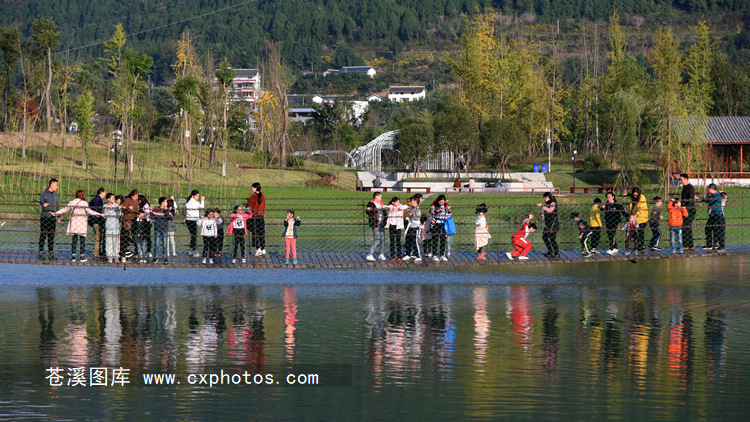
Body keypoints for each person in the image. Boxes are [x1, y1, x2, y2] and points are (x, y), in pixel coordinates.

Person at [52, 190, 104, 262]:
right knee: (82, 239)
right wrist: (99, 214)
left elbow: (65, 209)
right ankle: (82, 256)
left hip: (74, 222)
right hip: (82, 223)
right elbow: (90, 211)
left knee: (74, 239)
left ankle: (73, 256)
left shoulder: (72, 202)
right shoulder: (84, 203)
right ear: (82, 195)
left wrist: (56, 213)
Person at [698, 183, 725, 252]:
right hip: (712, 216)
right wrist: (699, 198)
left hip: (717, 216)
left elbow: (718, 203)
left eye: (708, 189)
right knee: (708, 229)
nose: (707, 190)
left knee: (717, 231)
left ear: (711, 189)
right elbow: (708, 200)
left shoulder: (717, 195)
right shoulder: (712, 195)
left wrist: (711, 208)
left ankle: (722, 246)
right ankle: (709, 245)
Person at [38, 178, 60, 261]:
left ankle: (51, 252)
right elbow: (40, 202)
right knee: (43, 234)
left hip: (53, 218)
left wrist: (59, 216)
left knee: (51, 235)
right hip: (45, 217)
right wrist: (44, 204)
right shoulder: (43, 194)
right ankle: (41, 251)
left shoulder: (55, 195)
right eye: (56, 185)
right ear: (51, 184)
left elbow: (57, 206)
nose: (57, 187)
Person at [384, 197, 408, 262]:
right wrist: (389, 207)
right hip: (391, 225)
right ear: (393, 202)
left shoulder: (400, 206)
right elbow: (383, 206)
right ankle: (392, 256)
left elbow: (406, 206)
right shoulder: (391, 206)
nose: (398, 203)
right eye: (397, 202)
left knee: (398, 241)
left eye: (398, 202)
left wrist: (399, 208)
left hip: (398, 226)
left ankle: (399, 256)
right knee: (392, 241)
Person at [675, 173, 696, 250]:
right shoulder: (685, 187)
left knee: (686, 226)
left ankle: (686, 245)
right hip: (685, 209)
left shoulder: (690, 187)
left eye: (681, 179)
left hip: (689, 210)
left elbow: (690, 199)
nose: (680, 181)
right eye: (680, 180)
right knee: (687, 226)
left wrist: (684, 206)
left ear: (686, 179)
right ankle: (690, 245)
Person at [150, 197, 173, 264]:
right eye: (166, 201)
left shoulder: (167, 210)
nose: (167, 203)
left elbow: (170, 217)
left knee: (165, 244)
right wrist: (151, 211)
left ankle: (165, 257)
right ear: (162, 202)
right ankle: (155, 257)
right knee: (156, 244)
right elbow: (152, 216)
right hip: (157, 229)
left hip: (165, 229)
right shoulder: (156, 209)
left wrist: (166, 211)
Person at [429, 195, 452, 261]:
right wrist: (438, 210)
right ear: (438, 201)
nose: (442, 203)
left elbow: (449, 213)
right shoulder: (433, 205)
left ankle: (442, 255)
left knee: (443, 239)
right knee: (435, 239)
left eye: (443, 202)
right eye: (440, 202)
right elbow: (432, 212)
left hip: (443, 223)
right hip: (436, 223)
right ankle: (435, 255)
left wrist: (449, 209)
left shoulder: (446, 205)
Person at [536, 192, 559, 259]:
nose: (544, 199)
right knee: (545, 237)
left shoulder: (553, 203)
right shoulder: (547, 204)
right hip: (548, 224)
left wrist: (542, 206)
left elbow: (550, 211)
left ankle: (556, 253)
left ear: (548, 197)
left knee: (552, 239)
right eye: (544, 197)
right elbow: (544, 213)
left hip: (553, 224)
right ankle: (550, 251)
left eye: (545, 197)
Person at [247, 183, 267, 257]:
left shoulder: (253, 196)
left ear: (255, 188)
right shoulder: (263, 196)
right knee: (261, 232)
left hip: (254, 216)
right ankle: (263, 248)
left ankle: (257, 248)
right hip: (261, 216)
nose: (252, 189)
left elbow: (250, 207)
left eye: (252, 188)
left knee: (254, 232)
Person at [365, 192, 386, 261]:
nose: (381, 198)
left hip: (382, 223)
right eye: (380, 197)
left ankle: (381, 254)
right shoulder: (371, 203)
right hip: (376, 223)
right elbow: (368, 211)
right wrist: (370, 210)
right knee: (377, 239)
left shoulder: (381, 203)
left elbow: (384, 211)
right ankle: (370, 254)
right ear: (376, 197)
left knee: (382, 239)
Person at [185, 190, 205, 257]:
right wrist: (202, 200)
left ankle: (191, 250)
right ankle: (194, 251)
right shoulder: (194, 202)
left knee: (193, 235)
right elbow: (202, 206)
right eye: (197, 196)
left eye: (198, 196)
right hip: (193, 220)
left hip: (188, 220)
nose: (198, 197)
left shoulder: (188, 202)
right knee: (194, 236)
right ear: (193, 196)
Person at [103, 194, 122, 263]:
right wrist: (105, 210)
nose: (114, 199)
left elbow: (119, 215)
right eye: (112, 198)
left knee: (116, 242)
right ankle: (109, 258)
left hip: (116, 227)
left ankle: (116, 257)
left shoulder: (116, 206)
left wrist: (119, 210)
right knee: (108, 243)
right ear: (108, 199)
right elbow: (104, 216)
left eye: (114, 198)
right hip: (108, 227)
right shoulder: (105, 206)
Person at [88, 187, 106, 260]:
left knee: (98, 237)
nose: (105, 194)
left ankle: (98, 251)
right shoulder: (98, 200)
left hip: (93, 220)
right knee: (98, 237)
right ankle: (96, 253)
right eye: (104, 193)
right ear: (101, 193)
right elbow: (98, 210)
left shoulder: (94, 199)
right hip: (96, 221)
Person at [629, 187, 649, 252]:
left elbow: (641, 208)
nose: (635, 196)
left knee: (641, 232)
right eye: (634, 195)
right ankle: (637, 246)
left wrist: (636, 215)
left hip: (642, 217)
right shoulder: (632, 198)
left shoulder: (642, 197)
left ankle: (641, 246)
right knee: (635, 233)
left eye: (636, 195)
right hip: (635, 219)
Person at [121, 190, 140, 258]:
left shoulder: (137, 201)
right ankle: (124, 252)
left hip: (134, 220)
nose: (135, 198)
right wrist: (128, 208)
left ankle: (136, 252)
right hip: (127, 220)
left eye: (136, 197)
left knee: (135, 236)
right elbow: (123, 209)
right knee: (126, 236)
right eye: (134, 196)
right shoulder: (127, 200)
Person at [403, 195, 422, 262]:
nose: (411, 202)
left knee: (414, 242)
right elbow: (406, 212)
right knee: (408, 240)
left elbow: (417, 217)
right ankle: (408, 254)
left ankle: (418, 255)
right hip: (410, 226)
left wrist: (411, 215)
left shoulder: (418, 209)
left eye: (413, 201)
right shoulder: (410, 208)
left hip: (415, 227)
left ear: (416, 202)